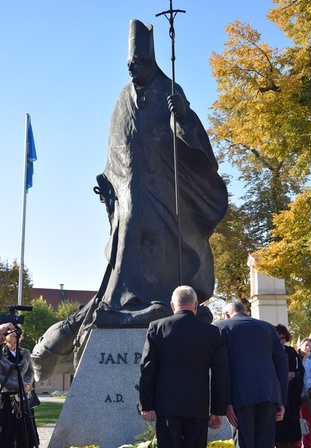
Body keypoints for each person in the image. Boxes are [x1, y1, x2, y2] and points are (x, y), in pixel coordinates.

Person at [31, 19, 228, 379]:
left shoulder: (170, 89)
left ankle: (168, 300)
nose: (132, 68)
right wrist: (111, 185)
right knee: (128, 238)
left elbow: (195, 142)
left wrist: (182, 116)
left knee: (168, 244)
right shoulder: (123, 96)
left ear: (151, 60)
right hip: (132, 188)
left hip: (168, 188)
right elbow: (116, 147)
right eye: (129, 64)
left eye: (137, 62)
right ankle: (125, 303)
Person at [139, 286, 227, 448]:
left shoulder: (157, 328)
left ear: (172, 305)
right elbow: (220, 374)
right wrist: (217, 411)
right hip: (198, 408)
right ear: (196, 306)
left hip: (167, 408)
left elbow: (147, 370)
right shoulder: (211, 333)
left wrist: (147, 405)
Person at [215, 301, 288, 448]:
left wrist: (225, 403)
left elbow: (222, 367)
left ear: (227, 313)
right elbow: (282, 364)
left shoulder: (222, 327)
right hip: (268, 396)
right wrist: (281, 401)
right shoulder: (267, 328)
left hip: (240, 398)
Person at [0, 327, 38, 448]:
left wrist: (27, 383)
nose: (15, 340)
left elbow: (30, 372)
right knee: (7, 434)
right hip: (7, 400)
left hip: (23, 401)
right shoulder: (1, 354)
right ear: (6, 339)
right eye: (12, 337)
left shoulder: (25, 353)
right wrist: (17, 386)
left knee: (24, 433)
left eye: (17, 338)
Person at [274, 324, 304, 448]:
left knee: (292, 424)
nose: (280, 341)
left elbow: (301, 370)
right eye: (277, 338)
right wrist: (282, 376)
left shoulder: (292, 352)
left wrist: (294, 374)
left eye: (282, 338)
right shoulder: (270, 352)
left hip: (292, 394)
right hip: (277, 393)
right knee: (279, 425)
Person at [293, 337, 311, 448]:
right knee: (297, 423)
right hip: (296, 395)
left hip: (308, 396)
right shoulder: (295, 358)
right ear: (301, 345)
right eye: (306, 345)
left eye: (310, 346)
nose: (308, 347)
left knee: (308, 423)